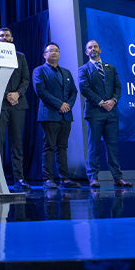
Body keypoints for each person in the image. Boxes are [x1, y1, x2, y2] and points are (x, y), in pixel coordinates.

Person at [78, 40, 133, 189]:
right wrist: (102, 102)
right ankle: (93, 178)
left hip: (112, 113)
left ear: (100, 50)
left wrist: (113, 101)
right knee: (93, 146)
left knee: (113, 146)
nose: (93, 49)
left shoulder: (111, 68)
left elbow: (118, 87)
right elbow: (85, 89)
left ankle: (117, 177)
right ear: (86, 52)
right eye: (89, 47)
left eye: (95, 46)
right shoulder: (83, 69)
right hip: (95, 112)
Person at [32, 42, 80, 189]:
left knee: (62, 147)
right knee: (49, 147)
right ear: (45, 55)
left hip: (65, 115)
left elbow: (74, 92)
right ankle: (48, 179)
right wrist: (59, 104)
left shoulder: (66, 72)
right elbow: (41, 91)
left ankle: (65, 179)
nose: (54, 53)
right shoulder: (39, 71)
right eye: (51, 51)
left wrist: (68, 106)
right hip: (49, 114)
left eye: (57, 51)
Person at [0, 27, 31, 191]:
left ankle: (19, 179)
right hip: (0, 105)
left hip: (18, 104)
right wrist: (5, 95)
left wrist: (17, 94)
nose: (4, 37)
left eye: (7, 35)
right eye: (1, 35)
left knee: (17, 143)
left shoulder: (20, 57)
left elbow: (26, 79)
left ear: (12, 38)